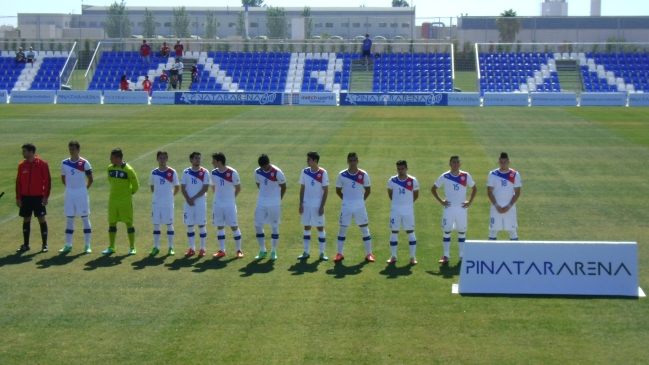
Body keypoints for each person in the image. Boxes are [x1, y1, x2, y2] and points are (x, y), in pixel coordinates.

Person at [431, 156, 477, 263]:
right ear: (450, 164)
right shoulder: (445, 176)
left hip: (461, 209)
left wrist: (469, 201)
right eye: (453, 162)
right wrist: (441, 201)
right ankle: (446, 255)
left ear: (460, 164)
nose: (455, 164)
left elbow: (474, 188)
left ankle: (461, 256)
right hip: (449, 209)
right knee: (447, 231)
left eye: (457, 162)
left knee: (462, 232)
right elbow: (433, 189)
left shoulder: (465, 176)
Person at [334, 152, 375, 262]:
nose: (352, 162)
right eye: (350, 160)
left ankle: (369, 254)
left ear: (357, 161)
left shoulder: (363, 174)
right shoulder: (342, 174)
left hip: (359, 207)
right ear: (347, 161)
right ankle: (339, 254)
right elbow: (338, 190)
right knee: (342, 229)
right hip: (346, 207)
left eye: (354, 160)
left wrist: (360, 201)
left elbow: (368, 190)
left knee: (364, 229)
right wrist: (347, 200)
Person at [59, 141, 93, 254]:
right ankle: (68, 245)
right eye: (70, 149)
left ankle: (87, 245)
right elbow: (63, 178)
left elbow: (90, 178)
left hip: (81, 194)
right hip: (69, 194)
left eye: (73, 149)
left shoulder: (84, 163)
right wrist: (71, 188)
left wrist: (83, 189)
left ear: (78, 150)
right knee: (69, 219)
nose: (71, 151)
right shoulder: (64, 163)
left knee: (84, 218)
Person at [15, 143, 51, 253]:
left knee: (41, 219)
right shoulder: (22, 165)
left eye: (24, 151)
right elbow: (18, 182)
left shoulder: (42, 164)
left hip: (38, 197)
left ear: (31, 152)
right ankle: (26, 244)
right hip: (26, 197)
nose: (23, 153)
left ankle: (44, 244)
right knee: (26, 219)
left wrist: (45, 197)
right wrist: (18, 197)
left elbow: (48, 181)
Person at [104, 148, 139, 255]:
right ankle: (111, 247)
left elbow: (136, 185)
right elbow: (111, 182)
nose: (110, 159)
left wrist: (128, 194)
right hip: (113, 200)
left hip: (125, 201)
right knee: (112, 223)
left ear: (118, 158)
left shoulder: (128, 170)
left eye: (112, 157)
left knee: (128, 222)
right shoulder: (110, 168)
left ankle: (132, 247)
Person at [209, 152, 243, 259]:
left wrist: (231, 198)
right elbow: (213, 187)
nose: (212, 163)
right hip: (218, 204)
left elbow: (238, 188)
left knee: (234, 226)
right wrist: (219, 198)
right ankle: (222, 250)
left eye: (213, 161)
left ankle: (239, 250)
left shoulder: (232, 172)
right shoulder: (213, 172)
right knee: (220, 226)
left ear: (219, 162)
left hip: (229, 205)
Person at [253, 154, 286, 261]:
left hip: (274, 203)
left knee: (274, 226)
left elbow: (284, 186)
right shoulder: (257, 172)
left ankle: (273, 251)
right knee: (258, 225)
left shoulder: (277, 172)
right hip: (261, 202)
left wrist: (278, 198)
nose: (264, 168)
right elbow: (258, 184)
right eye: (262, 167)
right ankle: (262, 250)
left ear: (269, 162)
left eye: (266, 166)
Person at [386, 160, 419, 265]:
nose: (401, 171)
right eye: (399, 169)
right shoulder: (392, 180)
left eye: (402, 168)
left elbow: (416, 195)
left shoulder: (413, 181)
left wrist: (407, 204)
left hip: (408, 211)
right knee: (394, 232)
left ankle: (413, 257)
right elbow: (390, 194)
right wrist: (398, 204)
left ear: (406, 168)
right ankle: (394, 256)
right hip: (395, 211)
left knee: (410, 233)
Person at [297, 151, 329, 260]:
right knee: (306, 227)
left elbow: (325, 191)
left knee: (320, 228)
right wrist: (301, 204)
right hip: (306, 205)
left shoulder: (322, 173)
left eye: (309, 159)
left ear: (315, 161)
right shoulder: (304, 172)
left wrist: (322, 206)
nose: (307, 161)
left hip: (317, 206)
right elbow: (302, 188)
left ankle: (322, 253)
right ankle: (306, 252)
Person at [149, 151, 180, 256]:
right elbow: (152, 187)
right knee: (156, 225)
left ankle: (170, 247)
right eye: (160, 158)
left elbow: (177, 187)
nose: (162, 160)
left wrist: (170, 196)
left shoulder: (172, 172)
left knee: (169, 224)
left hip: (168, 203)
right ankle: (156, 247)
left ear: (167, 159)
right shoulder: (154, 173)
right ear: (157, 159)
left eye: (164, 158)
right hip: (156, 203)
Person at [487, 152, 522, 241]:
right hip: (496, 208)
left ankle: (514, 253)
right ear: (498, 162)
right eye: (501, 162)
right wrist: (497, 206)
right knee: (493, 230)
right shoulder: (493, 174)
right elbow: (489, 192)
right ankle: (491, 253)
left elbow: (517, 192)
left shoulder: (514, 174)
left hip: (510, 208)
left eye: (505, 162)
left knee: (512, 231)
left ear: (508, 162)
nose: (503, 164)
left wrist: (509, 206)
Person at [181, 152, 210, 257]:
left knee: (201, 224)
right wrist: (188, 199)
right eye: (196, 158)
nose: (198, 160)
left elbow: (205, 188)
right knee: (190, 224)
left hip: (200, 203)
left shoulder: (204, 172)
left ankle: (202, 249)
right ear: (191, 159)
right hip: (188, 203)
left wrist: (192, 198)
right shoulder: (186, 172)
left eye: (199, 158)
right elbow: (183, 188)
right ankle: (192, 248)